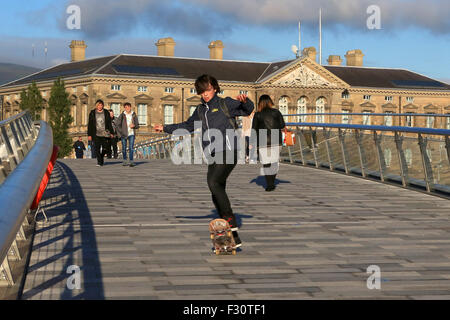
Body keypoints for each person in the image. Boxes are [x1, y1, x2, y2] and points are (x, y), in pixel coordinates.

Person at [154, 74, 254, 248]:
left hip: (230, 150)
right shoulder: (200, 110)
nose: (205, 94)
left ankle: (230, 220)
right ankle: (233, 236)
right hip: (212, 153)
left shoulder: (225, 103)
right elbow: (187, 126)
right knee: (216, 190)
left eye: (207, 90)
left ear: (214, 88)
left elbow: (247, 110)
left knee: (213, 182)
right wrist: (165, 128)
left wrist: (245, 101)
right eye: (202, 91)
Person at [251, 94, 285, 192]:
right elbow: (282, 125)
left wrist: (252, 143)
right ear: (270, 102)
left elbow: (254, 129)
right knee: (274, 162)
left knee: (266, 163)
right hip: (275, 140)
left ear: (260, 103)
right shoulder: (276, 112)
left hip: (262, 142)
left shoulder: (258, 114)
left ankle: (269, 184)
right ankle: (272, 182)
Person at [87, 99, 114, 167]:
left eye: (101, 105)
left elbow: (109, 123)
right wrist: (89, 134)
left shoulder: (106, 112)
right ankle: (99, 162)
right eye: (98, 105)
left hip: (104, 133)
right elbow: (90, 124)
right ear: (96, 105)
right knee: (97, 148)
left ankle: (101, 157)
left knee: (106, 148)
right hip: (96, 133)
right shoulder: (92, 113)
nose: (100, 106)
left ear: (103, 106)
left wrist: (111, 132)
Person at [116, 102, 140, 167]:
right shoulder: (122, 115)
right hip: (124, 134)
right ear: (124, 108)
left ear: (130, 107)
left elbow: (137, 125)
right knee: (124, 148)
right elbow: (117, 125)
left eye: (128, 107)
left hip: (131, 133)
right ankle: (124, 160)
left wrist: (134, 125)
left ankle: (131, 161)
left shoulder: (134, 115)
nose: (127, 108)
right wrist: (121, 132)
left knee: (131, 148)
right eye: (126, 107)